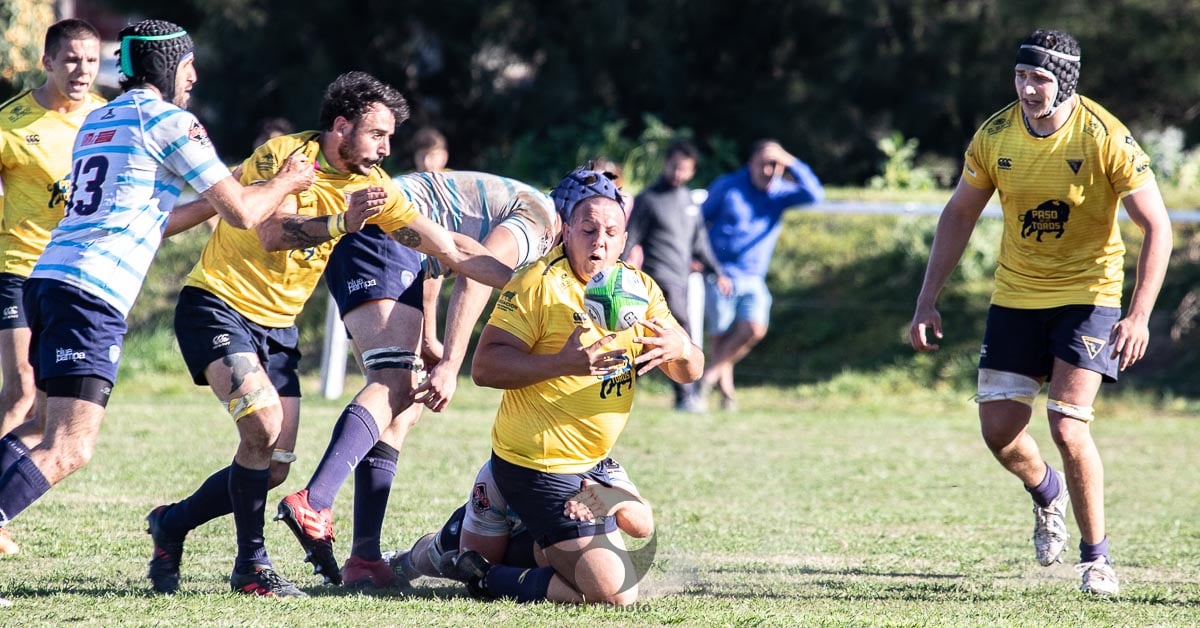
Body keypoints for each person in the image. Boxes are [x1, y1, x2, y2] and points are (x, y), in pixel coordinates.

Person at [142, 72, 512, 597]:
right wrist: (342, 222)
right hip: (217, 304)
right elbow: (270, 233)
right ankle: (251, 568)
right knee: (262, 426)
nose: (386, 149)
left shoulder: (376, 187)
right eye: (377, 134)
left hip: (278, 328)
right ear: (341, 126)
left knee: (272, 467)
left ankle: (172, 523)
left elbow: (450, 248)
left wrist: (523, 279)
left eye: (389, 137)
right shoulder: (285, 156)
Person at [0, 17, 315, 580]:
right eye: (189, 66)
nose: (193, 79)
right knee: (69, 446)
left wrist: (231, 187)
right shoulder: (172, 121)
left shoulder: (100, 118)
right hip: (90, 293)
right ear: (169, 66)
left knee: (42, 421)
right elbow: (244, 213)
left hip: (49, 279)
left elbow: (155, 221)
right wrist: (286, 182)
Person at [908, 29, 1171, 597]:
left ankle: (1096, 560)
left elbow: (1157, 226)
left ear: (1066, 81)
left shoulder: (1106, 136)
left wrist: (1138, 315)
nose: (1027, 89)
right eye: (1021, 76)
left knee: (1067, 425)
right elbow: (959, 214)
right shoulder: (995, 134)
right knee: (999, 432)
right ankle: (1047, 491)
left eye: (1040, 79)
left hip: (1089, 295)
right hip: (1017, 296)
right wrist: (927, 299)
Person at [277, 171, 558, 589]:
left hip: (380, 243)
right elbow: (474, 270)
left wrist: (428, 337)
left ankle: (365, 560)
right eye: (592, 229)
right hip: (382, 238)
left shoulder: (523, 202)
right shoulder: (543, 221)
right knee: (393, 383)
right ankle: (314, 501)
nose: (599, 242)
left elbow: (434, 260)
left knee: (401, 407)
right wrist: (450, 365)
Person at [453, 166, 704, 606]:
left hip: (593, 462)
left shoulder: (639, 290)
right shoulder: (538, 284)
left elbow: (692, 370)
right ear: (566, 232)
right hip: (536, 464)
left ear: (624, 241)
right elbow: (485, 367)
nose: (599, 241)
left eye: (611, 232)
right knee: (617, 594)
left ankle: (513, 542)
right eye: (588, 230)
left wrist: (681, 348)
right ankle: (487, 573)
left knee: (641, 524)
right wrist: (562, 363)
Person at [0, 18, 106, 556]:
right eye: (71, 59)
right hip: (17, 270)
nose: (82, 70)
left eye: (91, 60)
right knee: (21, 388)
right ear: (46, 62)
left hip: (73, 277)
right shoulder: (11, 123)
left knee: (46, 415)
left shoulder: (108, 118)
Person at [386, 457, 652, 587]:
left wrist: (613, 499)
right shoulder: (501, 471)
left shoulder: (602, 467)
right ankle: (399, 563)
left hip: (543, 543)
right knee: (436, 558)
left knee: (571, 552)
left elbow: (644, 526)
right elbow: (478, 561)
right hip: (498, 536)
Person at [697, 139, 823, 411]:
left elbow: (815, 194)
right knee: (720, 337)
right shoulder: (727, 186)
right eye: (764, 164)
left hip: (754, 276)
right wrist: (699, 259)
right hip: (721, 274)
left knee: (754, 329)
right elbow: (699, 221)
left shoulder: (779, 192)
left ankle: (707, 378)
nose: (769, 171)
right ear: (751, 163)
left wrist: (791, 161)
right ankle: (726, 395)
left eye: (775, 165)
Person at [623, 140, 729, 412]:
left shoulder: (688, 201)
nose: (678, 173)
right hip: (657, 279)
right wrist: (617, 271)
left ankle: (630, 385)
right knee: (680, 330)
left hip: (682, 280)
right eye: (675, 167)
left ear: (692, 171)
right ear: (666, 163)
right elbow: (630, 238)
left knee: (660, 338)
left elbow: (699, 243)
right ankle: (685, 397)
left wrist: (717, 271)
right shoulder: (648, 199)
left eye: (685, 169)